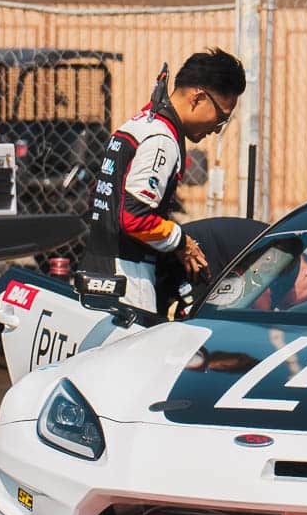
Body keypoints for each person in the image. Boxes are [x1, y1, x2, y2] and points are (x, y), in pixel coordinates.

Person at [77, 47, 246, 315]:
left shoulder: (140, 122)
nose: (217, 129)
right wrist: (181, 241)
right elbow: (133, 218)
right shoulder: (162, 141)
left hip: (98, 270)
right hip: (127, 284)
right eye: (221, 117)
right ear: (198, 97)